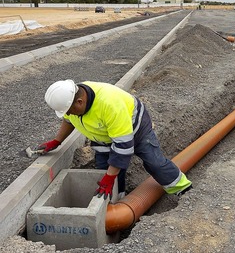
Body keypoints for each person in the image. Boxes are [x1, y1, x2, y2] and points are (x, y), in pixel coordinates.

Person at [38, 79, 192, 200]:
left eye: (70, 111)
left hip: (135, 129)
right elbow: (68, 120)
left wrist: (110, 178)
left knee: (154, 163)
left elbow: (123, 148)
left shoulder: (109, 105)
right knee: (105, 173)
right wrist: (57, 141)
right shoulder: (71, 99)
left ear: (80, 102)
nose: (69, 114)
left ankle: (183, 189)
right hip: (103, 135)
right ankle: (118, 201)